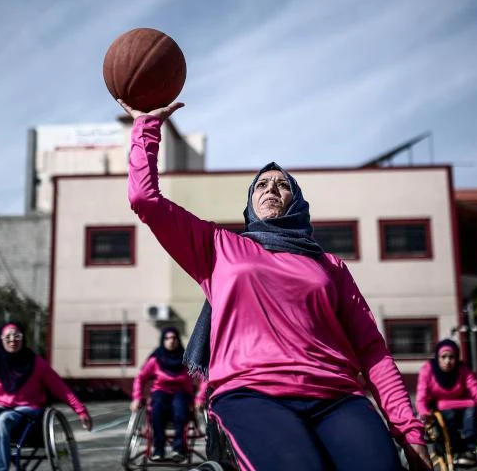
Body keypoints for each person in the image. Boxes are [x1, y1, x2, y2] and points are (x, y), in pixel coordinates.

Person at [119, 99, 430, 471]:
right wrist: (146, 129)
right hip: (252, 393)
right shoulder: (219, 246)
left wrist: (409, 431)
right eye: (262, 184)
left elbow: (372, 351)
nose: (271, 188)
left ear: (296, 202)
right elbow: (144, 199)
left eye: (283, 185)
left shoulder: (328, 265)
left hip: (335, 395)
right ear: (250, 202)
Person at [0, 322, 93, 471]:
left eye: (17, 336)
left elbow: (61, 388)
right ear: (1, 340)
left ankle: (0, 469)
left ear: (23, 338)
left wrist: (80, 410)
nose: (13, 340)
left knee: (4, 420)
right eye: (8, 337)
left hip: (27, 411)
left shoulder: (36, 363)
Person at [131, 326, 208, 462]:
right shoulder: (155, 360)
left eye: (174, 338)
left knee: (180, 409)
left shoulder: (187, 360)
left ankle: (178, 449)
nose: (171, 341)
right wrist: (137, 398)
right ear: (163, 341)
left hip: (182, 393)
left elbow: (204, 378)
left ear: (178, 340)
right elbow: (140, 378)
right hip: (160, 392)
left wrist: (200, 398)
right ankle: (158, 450)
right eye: (167, 338)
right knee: (157, 409)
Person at [416, 339, 477, 465]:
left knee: (472, 410)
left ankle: (470, 450)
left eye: (451, 357)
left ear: (457, 357)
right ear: (437, 357)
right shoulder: (428, 370)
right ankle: (455, 449)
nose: (447, 361)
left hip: (464, 406)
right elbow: (421, 396)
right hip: (441, 408)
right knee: (447, 414)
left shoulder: (462, 370)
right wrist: (424, 412)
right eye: (443, 357)